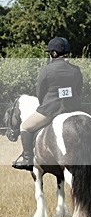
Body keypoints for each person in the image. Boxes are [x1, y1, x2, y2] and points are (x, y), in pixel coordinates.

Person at [12, 37, 83, 171]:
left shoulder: (47, 70)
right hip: (74, 109)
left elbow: (40, 92)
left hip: (51, 109)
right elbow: (78, 90)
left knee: (25, 126)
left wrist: (45, 104)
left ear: (54, 53)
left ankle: (27, 159)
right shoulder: (76, 69)